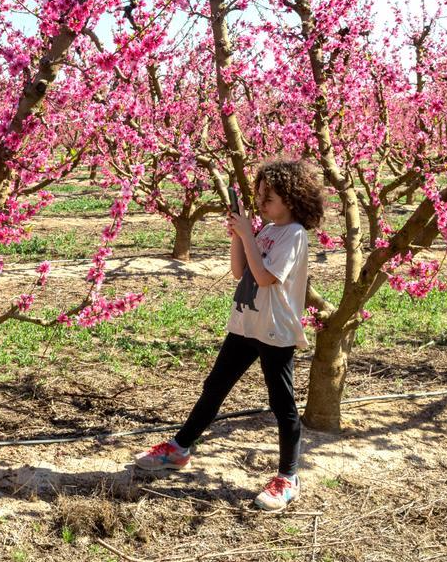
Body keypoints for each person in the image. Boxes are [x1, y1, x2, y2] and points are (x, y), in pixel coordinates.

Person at [134, 160, 324, 513]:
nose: (262, 200)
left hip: (274, 331)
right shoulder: (266, 229)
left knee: (282, 405)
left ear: (293, 198)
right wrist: (240, 237)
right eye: (259, 193)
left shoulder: (294, 234)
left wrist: (249, 236)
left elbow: (267, 277)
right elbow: (241, 272)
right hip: (245, 325)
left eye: (270, 195)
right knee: (215, 387)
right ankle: (180, 448)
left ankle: (288, 476)